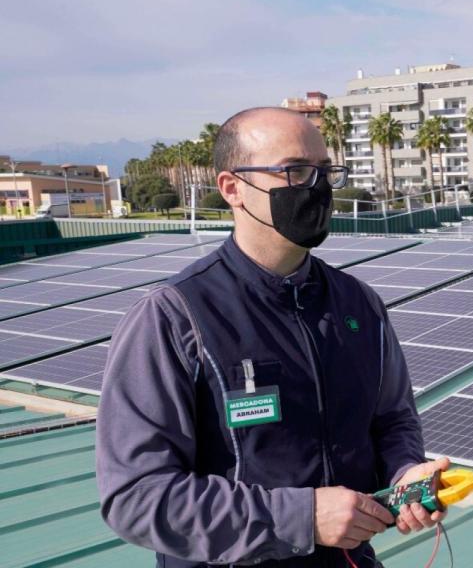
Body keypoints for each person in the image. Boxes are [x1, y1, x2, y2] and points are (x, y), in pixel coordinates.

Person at [96, 107, 448, 567]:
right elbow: (137, 496)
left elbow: (393, 420)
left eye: (325, 171)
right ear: (232, 188)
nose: (317, 188)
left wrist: (405, 473)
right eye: (295, 171)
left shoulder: (359, 305)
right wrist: (301, 518)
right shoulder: (174, 317)